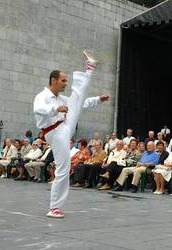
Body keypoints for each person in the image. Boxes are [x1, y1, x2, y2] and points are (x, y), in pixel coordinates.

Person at [33, 50, 109, 218]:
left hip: (64, 127)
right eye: (63, 80)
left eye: (66, 80)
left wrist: (97, 100)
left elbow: (78, 104)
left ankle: (90, 68)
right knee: (63, 168)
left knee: (77, 99)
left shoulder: (60, 97)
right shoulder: (43, 96)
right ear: (53, 80)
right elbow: (38, 109)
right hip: (54, 131)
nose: (66, 83)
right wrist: (55, 109)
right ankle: (54, 208)